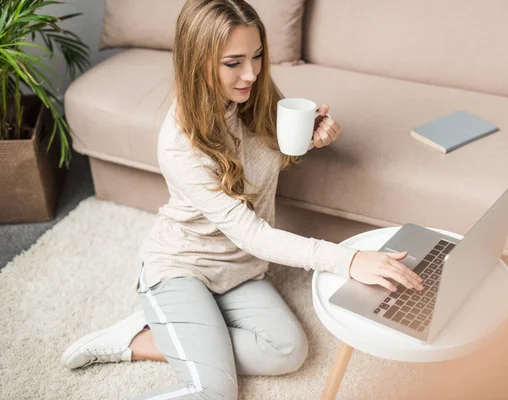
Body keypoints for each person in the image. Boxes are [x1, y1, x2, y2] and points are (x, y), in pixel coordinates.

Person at [60, 1, 424, 399]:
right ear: (197, 62)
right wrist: (348, 260)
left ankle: (151, 338)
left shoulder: (257, 95)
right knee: (213, 392)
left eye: (257, 56)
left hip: (240, 271)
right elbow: (254, 235)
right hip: (183, 266)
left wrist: (308, 139)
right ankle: (170, 333)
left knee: (288, 351)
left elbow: (263, 158)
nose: (251, 73)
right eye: (234, 63)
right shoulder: (180, 145)